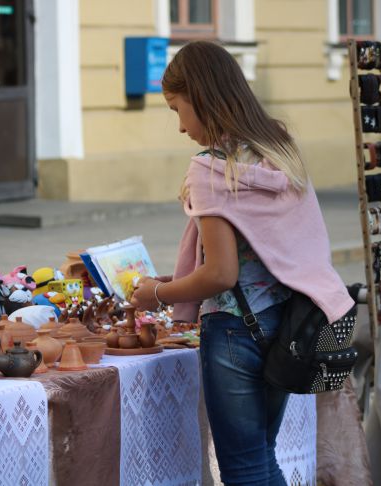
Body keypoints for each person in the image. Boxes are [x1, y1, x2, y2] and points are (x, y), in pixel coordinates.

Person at [130, 41, 354, 485]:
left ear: (201, 97)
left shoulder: (210, 168)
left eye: (178, 109)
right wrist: (177, 279)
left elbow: (221, 274)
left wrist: (156, 294)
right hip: (286, 325)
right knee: (262, 461)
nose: (180, 127)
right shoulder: (279, 148)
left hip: (234, 332)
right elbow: (271, 248)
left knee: (245, 470)